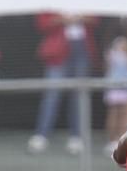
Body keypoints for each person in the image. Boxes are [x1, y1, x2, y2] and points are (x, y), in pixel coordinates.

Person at [28, 12, 98, 154]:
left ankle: (76, 137)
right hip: (57, 50)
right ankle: (41, 135)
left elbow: (96, 19)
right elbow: (42, 23)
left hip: (81, 49)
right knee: (52, 94)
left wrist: (79, 18)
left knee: (78, 95)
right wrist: (63, 19)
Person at [102, 35, 127, 154]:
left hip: (120, 89)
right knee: (122, 116)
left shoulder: (111, 55)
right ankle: (116, 142)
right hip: (123, 89)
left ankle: (117, 142)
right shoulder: (116, 55)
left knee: (120, 115)